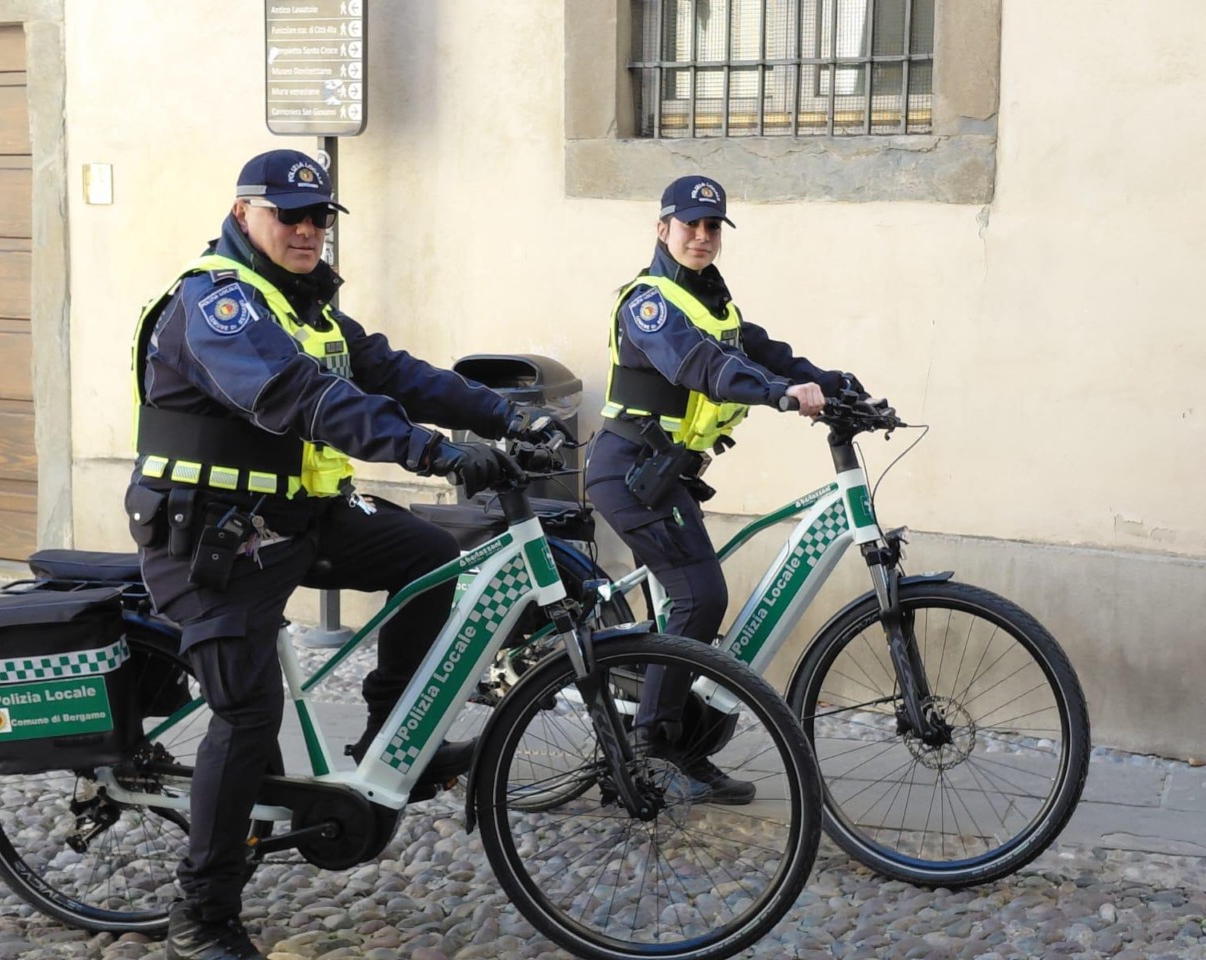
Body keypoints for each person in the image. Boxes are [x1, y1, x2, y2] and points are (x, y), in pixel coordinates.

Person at [126, 148, 566, 960]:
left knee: (432, 556)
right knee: (248, 714)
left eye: (318, 217)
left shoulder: (311, 307)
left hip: (296, 519)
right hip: (211, 537)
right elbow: (302, 396)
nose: (305, 230)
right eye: (287, 214)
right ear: (241, 214)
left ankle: (394, 739)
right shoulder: (215, 305)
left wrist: (506, 418)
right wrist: (433, 455)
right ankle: (203, 915)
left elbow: (397, 373)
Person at [584, 174, 862, 805]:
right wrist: (779, 396)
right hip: (627, 472)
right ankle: (651, 755)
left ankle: (681, 743)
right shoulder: (648, 304)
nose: (703, 237)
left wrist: (839, 385)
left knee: (691, 608)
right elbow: (700, 365)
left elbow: (769, 354)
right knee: (700, 596)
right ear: (663, 229)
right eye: (690, 225)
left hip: (665, 476)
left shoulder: (717, 307)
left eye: (713, 227)